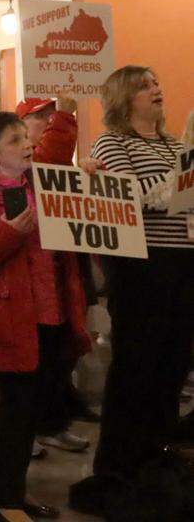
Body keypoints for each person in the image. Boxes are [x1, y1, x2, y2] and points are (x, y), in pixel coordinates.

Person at [0, 112, 91, 522]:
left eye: (24, 137)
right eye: (15, 140)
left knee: (31, 413)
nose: (27, 143)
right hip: (10, 317)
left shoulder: (44, 186)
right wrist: (9, 233)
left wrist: (88, 179)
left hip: (51, 314)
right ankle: (4, 503)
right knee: (15, 411)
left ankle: (15, 496)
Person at [70, 67, 194, 517]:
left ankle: (156, 460)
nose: (157, 89)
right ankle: (119, 467)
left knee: (172, 365)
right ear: (125, 98)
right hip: (141, 267)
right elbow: (129, 199)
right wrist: (182, 180)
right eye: (144, 85)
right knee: (135, 368)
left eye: (157, 82)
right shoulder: (112, 144)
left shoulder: (176, 146)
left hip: (184, 262)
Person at [17, 95, 98, 449]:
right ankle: (31, 429)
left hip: (58, 272)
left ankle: (49, 422)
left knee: (55, 354)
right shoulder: (22, 166)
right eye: (42, 117)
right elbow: (50, 157)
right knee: (34, 359)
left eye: (53, 116)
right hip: (28, 279)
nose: (50, 121)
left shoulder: (52, 167)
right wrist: (65, 114)